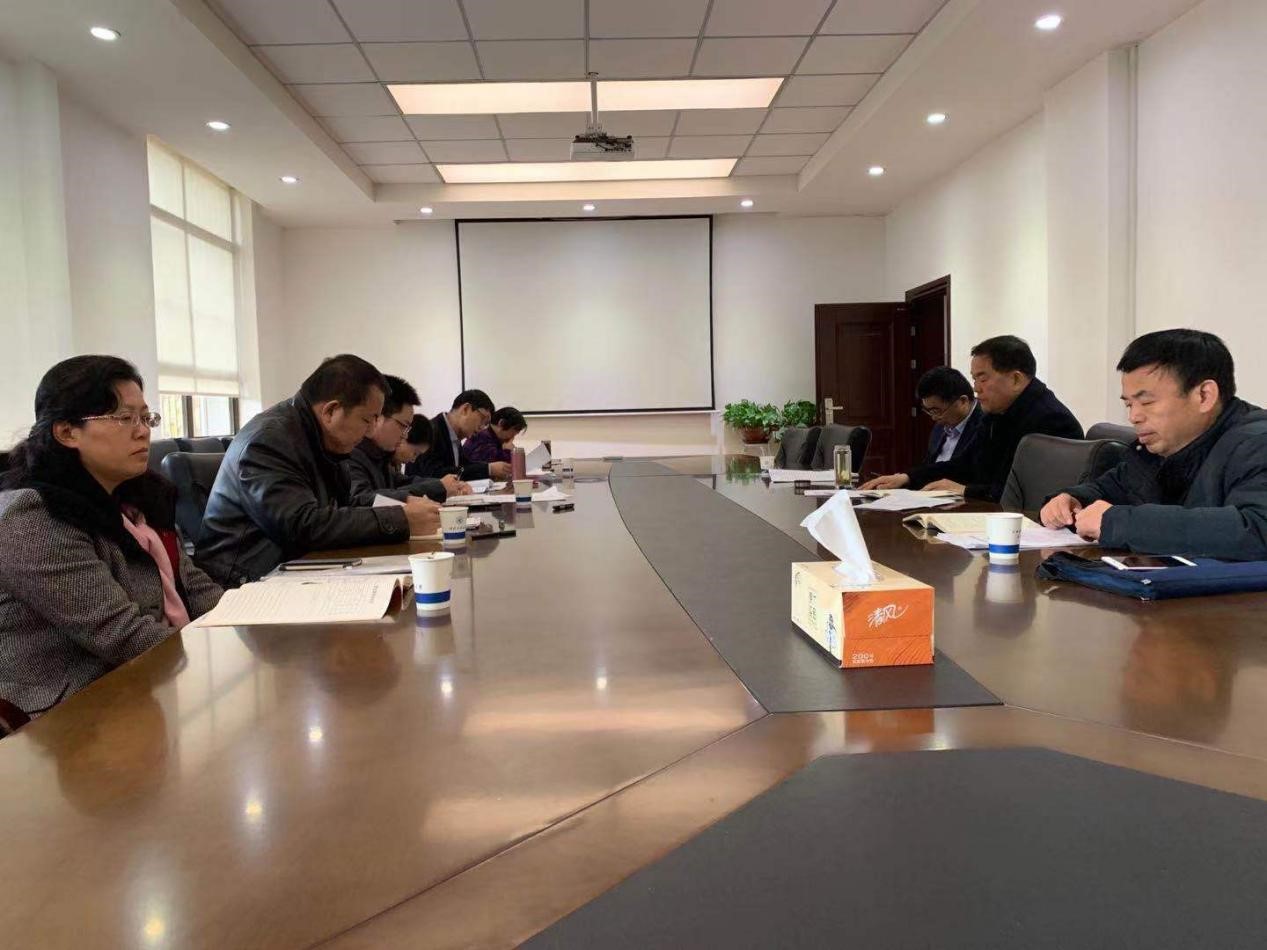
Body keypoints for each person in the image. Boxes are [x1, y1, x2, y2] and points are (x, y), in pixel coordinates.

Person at [0, 355, 223, 719]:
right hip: (71, 715)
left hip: (151, 680)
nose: (143, 431)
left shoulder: (135, 499)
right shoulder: (33, 516)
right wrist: (219, 655)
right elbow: (121, 635)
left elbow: (195, 588)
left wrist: (249, 622)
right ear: (67, 433)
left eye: (146, 418)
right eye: (124, 418)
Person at [196, 355, 442, 586]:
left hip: (296, 565)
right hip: (242, 581)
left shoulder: (327, 441)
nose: (370, 432)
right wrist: (399, 519)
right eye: (367, 420)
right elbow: (302, 526)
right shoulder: (268, 441)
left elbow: (345, 505)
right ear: (331, 411)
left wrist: (403, 508)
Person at [1041, 329, 1267, 559]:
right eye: (1129, 405)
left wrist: (1121, 523)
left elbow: (1257, 530)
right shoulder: (1159, 448)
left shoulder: (1258, 443)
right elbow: (1110, 489)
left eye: (1147, 402)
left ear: (1204, 396)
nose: (1134, 417)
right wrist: (1073, 500)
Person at [862, 335, 1082, 501]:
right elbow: (966, 464)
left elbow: (1026, 494)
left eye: (982, 379)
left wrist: (965, 490)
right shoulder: (997, 414)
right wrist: (908, 478)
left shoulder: (1051, 421)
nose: (976, 388)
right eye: (974, 379)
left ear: (1015, 379)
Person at [346, 375, 469, 505]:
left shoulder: (379, 457)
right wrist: (439, 487)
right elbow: (361, 499)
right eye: (403, 426)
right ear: (378, 417)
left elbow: (402, 482)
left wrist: (442, 484)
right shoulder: (351, 454)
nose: (404, 436)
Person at [407, 389, 512, 482]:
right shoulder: (431, 431)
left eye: (486, 424)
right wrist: (488, 469)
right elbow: (434, 474)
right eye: (482, 420)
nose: (482, 428)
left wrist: (489, 468)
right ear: (465, 409)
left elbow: (463, 466)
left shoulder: (453, 434)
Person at [915, 367, 983, 465]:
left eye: (936, 411)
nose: (934, 418)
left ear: (963, 401)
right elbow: (928, 465)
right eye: (929, 411)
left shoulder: (987, 427)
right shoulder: (940, 427)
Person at [463, 406, 528, 465]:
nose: (512, 438)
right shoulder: (483, 439)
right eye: (512, 434)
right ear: (502, 423)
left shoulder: (493, 437)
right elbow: (500, 468)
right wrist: (507, 451)